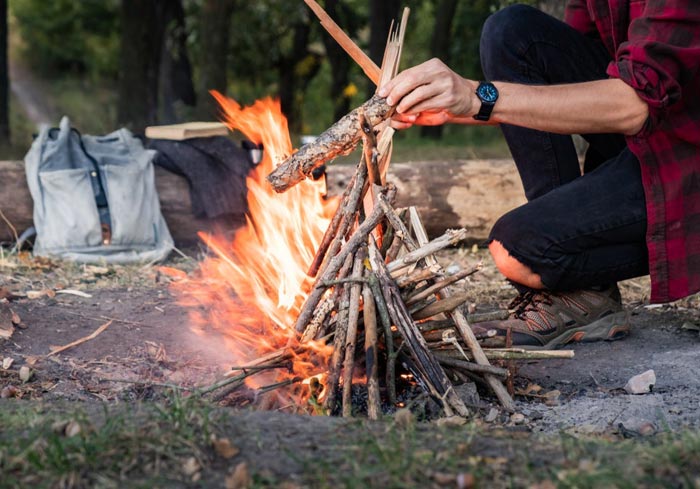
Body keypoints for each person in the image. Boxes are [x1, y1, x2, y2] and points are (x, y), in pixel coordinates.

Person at [378, 1, 700, 349]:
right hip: (654, 136)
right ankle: (583, 295)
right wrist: (446, 106)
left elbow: (634, 105)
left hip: (684, 155)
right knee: (511, 32)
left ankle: (571, 283)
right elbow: (569, 84)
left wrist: (477, 96)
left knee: (518, 251)